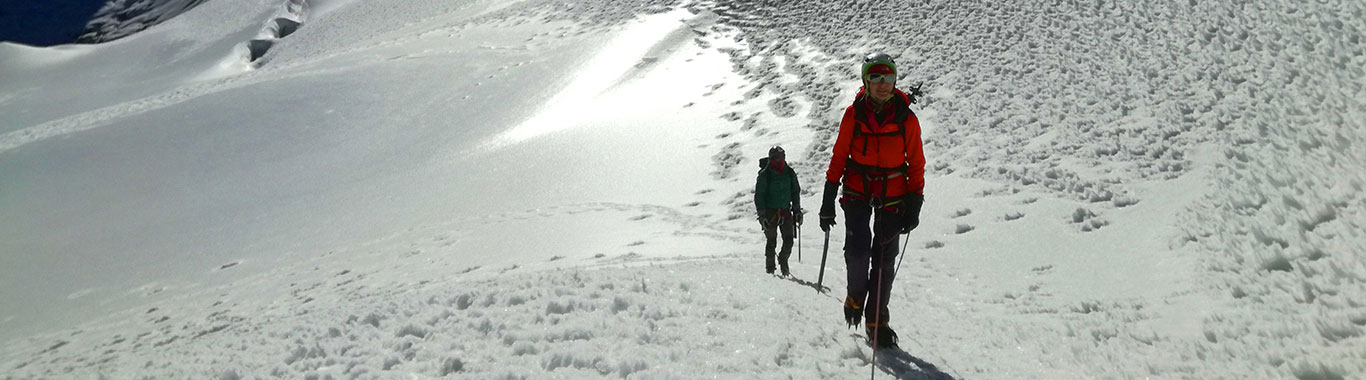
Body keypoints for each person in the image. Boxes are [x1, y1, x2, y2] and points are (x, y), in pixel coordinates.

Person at [818, 52, 926, 348]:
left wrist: (915, 201)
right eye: (876, 77)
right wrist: (828, 198)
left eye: (888, 77)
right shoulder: (854, 115)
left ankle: (876, 320)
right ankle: (855, 296)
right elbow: (840, 156)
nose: (882, 83)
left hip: (893, 195)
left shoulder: (907, 119)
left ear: (895, 81)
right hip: (856, 191)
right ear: (865, 81)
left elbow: (916, 162)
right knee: (857, 249)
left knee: (883, 259)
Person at [755, 146, 802, 276]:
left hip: (786, 210)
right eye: (777, 157)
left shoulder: (789, 172)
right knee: (771, 241)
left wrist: (797, 210)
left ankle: (783, 259)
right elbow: (759, 195)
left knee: (788, 240)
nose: (780, 160)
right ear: (772, 159)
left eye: (782, 156)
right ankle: (770, 268)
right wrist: (762, 215)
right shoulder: (765, 175)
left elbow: (795, 191)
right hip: (770, 213)